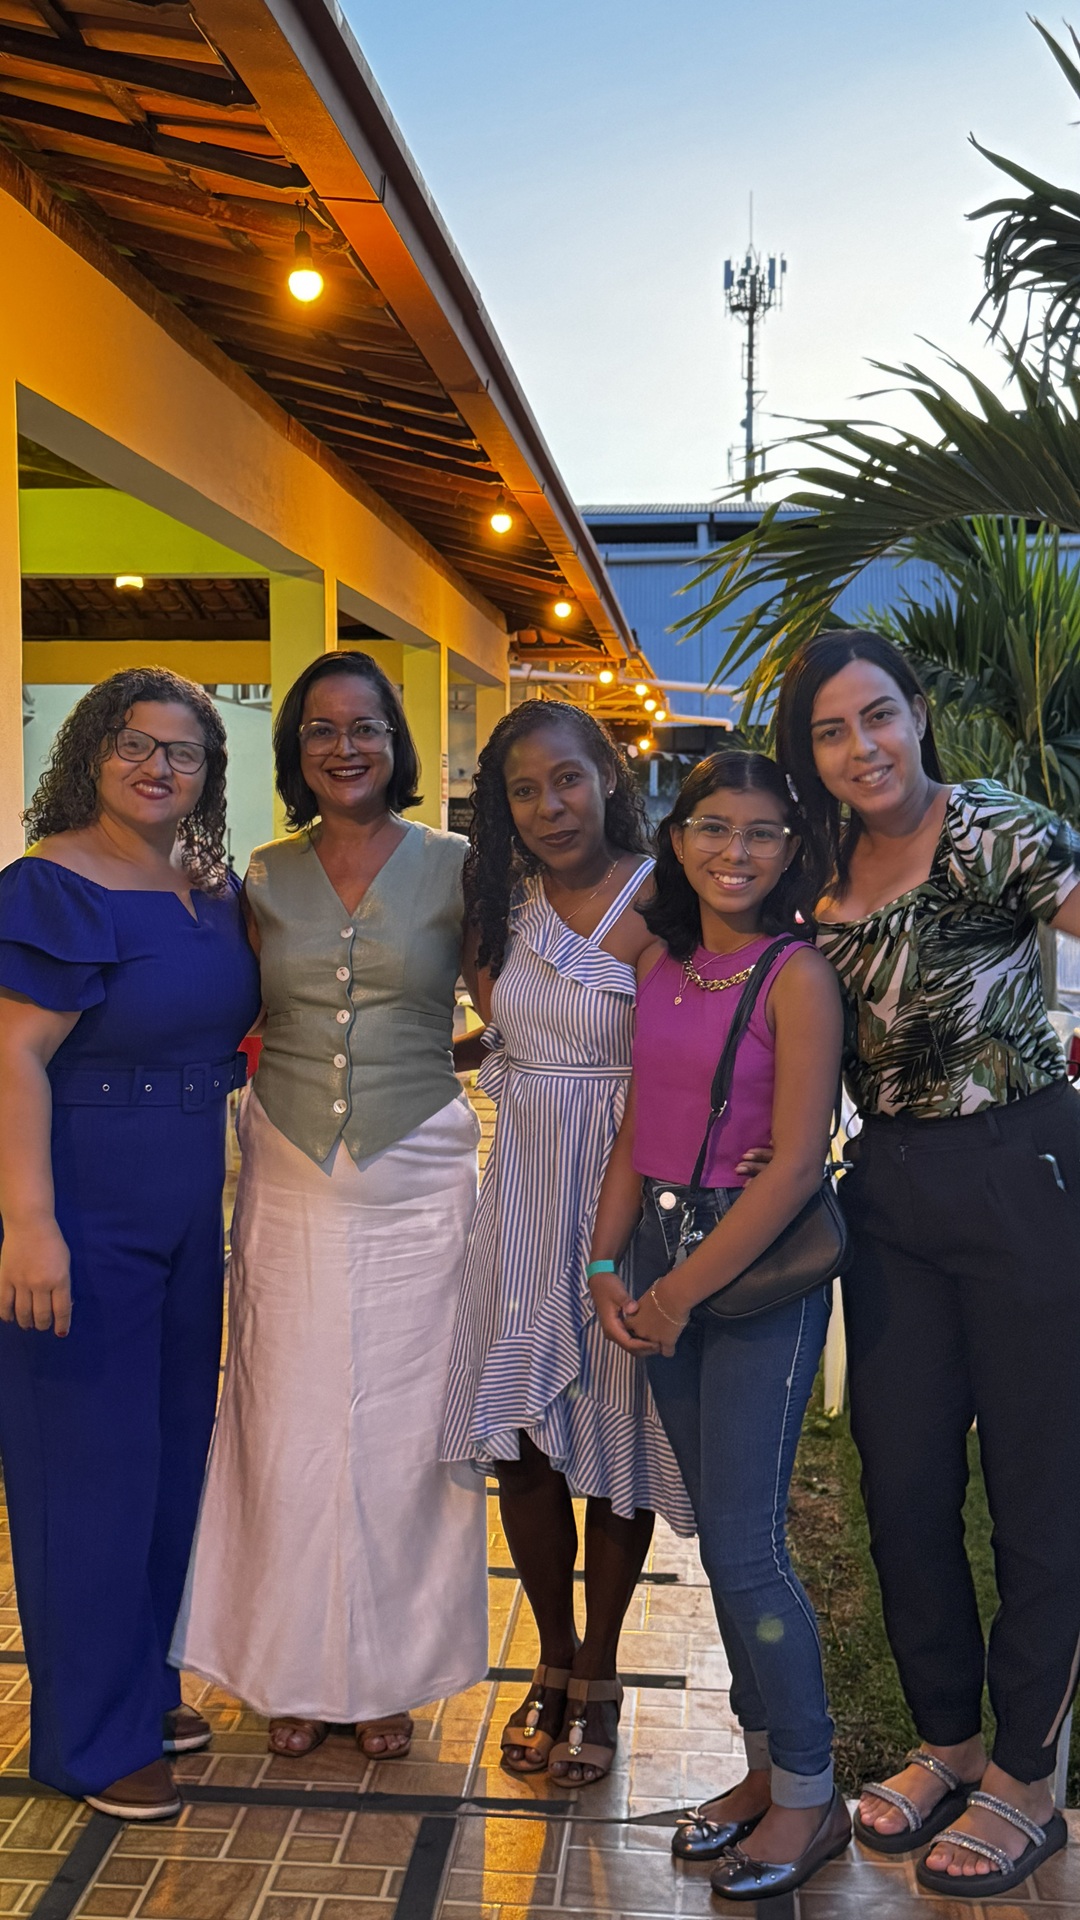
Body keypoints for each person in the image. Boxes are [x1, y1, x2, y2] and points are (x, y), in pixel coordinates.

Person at [775, 628, 1080, 1899]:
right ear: (809, 754)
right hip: (891, 1187)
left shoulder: (990, 828)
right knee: (899, 1484)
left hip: (1023, 1173)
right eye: (832, 731)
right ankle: (948, 1740)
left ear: (916, 715)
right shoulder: (816, 867)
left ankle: (1031, 1777)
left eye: (879, 716)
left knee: (1038, 1486)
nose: (864, 748)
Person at [172, 651, 488, 1761]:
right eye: (320, 729)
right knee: (285, 1423)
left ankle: (387, 1675)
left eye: (364, 727)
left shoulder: (457, 865)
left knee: (407, 1430)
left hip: (420, 1179)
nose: (344, 746)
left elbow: (504, 1002)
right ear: (294, 751)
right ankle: (288, 1672)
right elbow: (231, 1008)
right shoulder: (259, 876)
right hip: (290, 1173)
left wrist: (451, 1063)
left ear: (395, 743)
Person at [588, 748, 848, 1898]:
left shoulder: (798, 975)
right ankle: (761, 1769)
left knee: (747, 1546)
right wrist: (607, 1262)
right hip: (658, 1259)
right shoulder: (664, 964)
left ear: (792, 852)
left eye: (761, 833)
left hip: (753, 1277)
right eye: (712, 827)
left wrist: (675, 1296)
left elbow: (794, 1166)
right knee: (720, 1545)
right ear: (676, 835)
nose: (734, 852)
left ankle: (811, 1793)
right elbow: (636, 1122)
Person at [0, 670, 259, 1820]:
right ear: (91, 753)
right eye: (135, 745)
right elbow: (11, 1058)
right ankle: (87, 1743)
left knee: (163, 1462)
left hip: (188, 1204)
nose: (159, 768)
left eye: (184, 752)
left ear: (209, 772)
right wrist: (29, 1225)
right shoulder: (52, 884)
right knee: (86, 1477)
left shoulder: (208, 889)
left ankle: (140, 1686)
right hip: (83, 1204)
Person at [443, 700, 693, 1786]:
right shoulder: (497, 910)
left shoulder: (668, 898)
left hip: (623, 1192)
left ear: (608, 778)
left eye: (568, 780)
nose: (550, 806)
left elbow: (696, 1047)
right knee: (526, 1440)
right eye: (525, 790)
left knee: (617, 1438)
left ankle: (601, 1666)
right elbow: (505, 1032)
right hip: (520, 1193)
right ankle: (551, 1656)